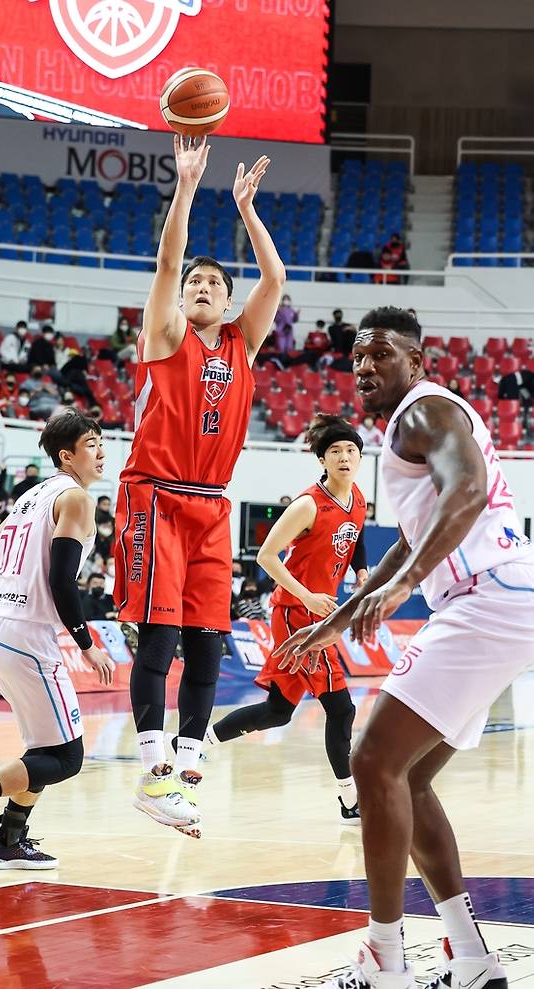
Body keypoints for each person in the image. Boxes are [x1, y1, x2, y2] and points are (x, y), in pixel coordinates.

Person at [276, 306, 534, 989]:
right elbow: (406, 539)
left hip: (484, 599)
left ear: (417, 361)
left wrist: (407, 587)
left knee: (371, 759)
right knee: (409, 778)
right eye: (358, 357)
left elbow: (470, 490)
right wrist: (347, 614)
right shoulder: (418, 423)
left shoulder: (422, 410)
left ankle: (383, 961)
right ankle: (472, 957)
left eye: (381, 354)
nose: (364, 366)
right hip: (502, 601)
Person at [113, 134, 285, 839]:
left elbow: (273, 281)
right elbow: (165, 259)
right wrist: (186, 189)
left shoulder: (243, 341)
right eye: (195, 284)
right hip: (156, 492)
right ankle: (151, 769)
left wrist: (246, 208)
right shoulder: (165, 336)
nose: (204, 287)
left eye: (214, 282)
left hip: (212, 505)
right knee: (159, 643)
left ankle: (185, 770)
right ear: (182, 300)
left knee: (210, 643)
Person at [0, 409, 115, 869]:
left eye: (101, 441)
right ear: (67, 456)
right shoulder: (76, 499)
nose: (102, 451)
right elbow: (62, 581)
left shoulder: (30, 497)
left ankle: (9, 839)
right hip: (29, 635)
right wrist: (87, 643)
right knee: (67, 758)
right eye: (91, 444)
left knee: (44, 750)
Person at [199, 415, 367, 825]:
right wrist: (307, 593)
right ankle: (350, 800)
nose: (345, 457)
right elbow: (266, 556)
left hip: (322, 614)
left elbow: (356, 535)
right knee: (341, 709)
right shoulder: (308, 503)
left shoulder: (358, 498)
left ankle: (198, 741)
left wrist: (360, 572)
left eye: (351, 451)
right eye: (335, 452)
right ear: (322, 461)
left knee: (278, 710)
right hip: (295, 614)